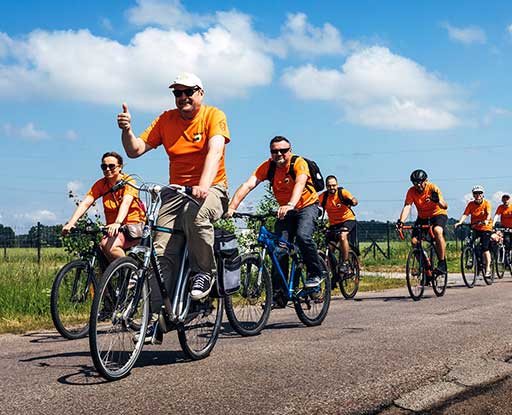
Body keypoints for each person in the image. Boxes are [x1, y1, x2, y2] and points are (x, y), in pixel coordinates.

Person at [118, 72, 229, 302]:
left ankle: (204, 272)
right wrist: (127, 130)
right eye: (178, 93)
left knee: (195, 216)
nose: (183, 97)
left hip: (212, 187)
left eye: (188, 92)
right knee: (160, 249)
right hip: (177, 191)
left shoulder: (213, 115)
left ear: (200, 93)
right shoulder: (166, 120)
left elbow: (215, 151)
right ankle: (157, 316)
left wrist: (203, 186)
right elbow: (135, 150)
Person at [227, 136, 324, 288]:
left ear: (290, 151)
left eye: (283, 150)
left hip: (307, 206)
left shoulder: (298, 163)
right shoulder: (268, 166)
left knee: (302, 236)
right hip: (286, 211)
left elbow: (300, 183)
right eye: (275, 151)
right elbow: (248, 185)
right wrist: (232, 207)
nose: (279, 154)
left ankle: (315, 272)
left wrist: (290, 204)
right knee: (279, 249)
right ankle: (280, 294)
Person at [62, 152, 145, 261]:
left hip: (132, 226)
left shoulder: (128, 181)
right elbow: (86, 202)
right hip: (113, 228)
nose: (107, 169)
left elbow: (126, 202)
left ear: (120, 167)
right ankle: (111, 275)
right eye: (104, 166)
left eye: (111, 166)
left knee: (109, 246)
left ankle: (130, 271)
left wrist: (117, 222)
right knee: (102, 253)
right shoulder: (101, 184)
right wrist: (71, 223)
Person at [397, 169, 449, 274]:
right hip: (423, 217)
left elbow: (445, 206)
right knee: (414, 242)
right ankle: (426, 270)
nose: (418, 185)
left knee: (438, 231)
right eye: (415, 183)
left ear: (426, 180)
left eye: (420, 182)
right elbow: (407, 206)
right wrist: (401, 221)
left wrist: (437, 200)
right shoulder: (411, 191)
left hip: (437, 214)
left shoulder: (432, 188)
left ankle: (442, 263)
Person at [319, 175, 359, 274]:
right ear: (326, 186)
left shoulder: (342, 192)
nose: (331, 188)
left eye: (333, 185)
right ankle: (334, 274)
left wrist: (353, 201)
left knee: (342, 236)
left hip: (347, 219)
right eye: (329, 186)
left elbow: (353, 199)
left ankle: (345, 263)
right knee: (330, 248)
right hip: (334, 223)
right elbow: (315, 205)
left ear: (337, 185)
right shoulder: (323, 197)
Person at [455, 185, 493, 276]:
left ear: (483, 194)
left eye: (479, 193)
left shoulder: (487, 203)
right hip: (475, 227)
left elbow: (488, 214)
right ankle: (471, 259)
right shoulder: (470, 204)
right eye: (475, 193)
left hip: (486, 228)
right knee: (470, 243)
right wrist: (460, 222)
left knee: (485, 248)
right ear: (473, 195)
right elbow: (465, 214)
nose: (478, 195)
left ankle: (487, 268)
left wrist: (486, 220)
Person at [493, 193, 512, 273]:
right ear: (502, 200)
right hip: (504, 228)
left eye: (507, 199)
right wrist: (493, 224)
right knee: (503, 243)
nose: (505, 201)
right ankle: (503, 258)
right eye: (504, 199)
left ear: (509, 200)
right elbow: (496, 216)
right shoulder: (500, 207)